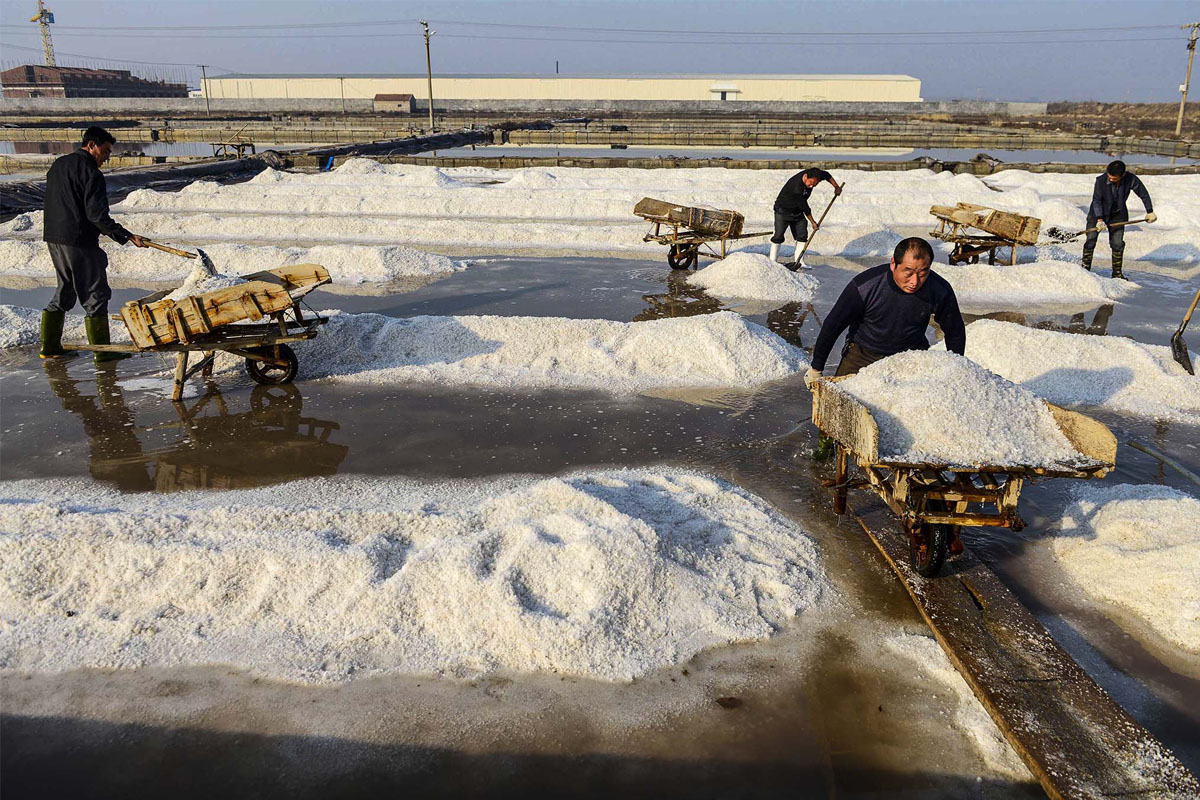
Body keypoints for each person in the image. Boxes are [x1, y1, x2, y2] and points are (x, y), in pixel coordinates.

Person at [804, 237, 966, 460]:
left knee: (915, 413)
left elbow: (955, 331)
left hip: (909, 358)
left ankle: (908, 457)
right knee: (836, 411)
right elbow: (833, 325)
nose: (915, 280)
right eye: (908, 271)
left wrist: (955, 368)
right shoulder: (866, 285)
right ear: (893, 264)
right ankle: (824, 454)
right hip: (862, 353)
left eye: (923, 272)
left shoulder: (939, 289)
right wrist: (816, 367)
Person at [39, 125, 148, 363]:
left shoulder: (58, 165)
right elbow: (97, 216)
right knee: (95, 294)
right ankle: (102, 352)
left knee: (65, 289)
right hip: (78, 240)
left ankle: (50, 348)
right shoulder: (91, 173)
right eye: (106, 151)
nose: (107, 158)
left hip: (54, 237)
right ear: (92, 146)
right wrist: (127, 236)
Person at [1083, 159, 1156, 280]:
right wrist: (1100, 219)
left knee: (1117, 243)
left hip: (1118, 215)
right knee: (1090, 240)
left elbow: (1143, 194)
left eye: (1114, 178)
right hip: (1097, 214)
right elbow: (1097, 201)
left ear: (1122, 175)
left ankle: (1117, 273)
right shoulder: (1100, 181)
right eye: (1109, 176)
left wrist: (1149, 211)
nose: (1110, 179)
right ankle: (1085, 270)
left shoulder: (1130, 179)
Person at [770, 167, 842, 267]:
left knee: (802, 236)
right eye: (810, 183)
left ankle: (800, 262)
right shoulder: (796, 187)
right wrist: (813, 222)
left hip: (798, 212)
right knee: (778, 236)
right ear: (805, 177)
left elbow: (827, 175)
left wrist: (836, 187)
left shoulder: (816, 175)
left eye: (814, 185)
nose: (811, 186)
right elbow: (805, 207)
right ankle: (772, 262)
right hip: (783, 211)